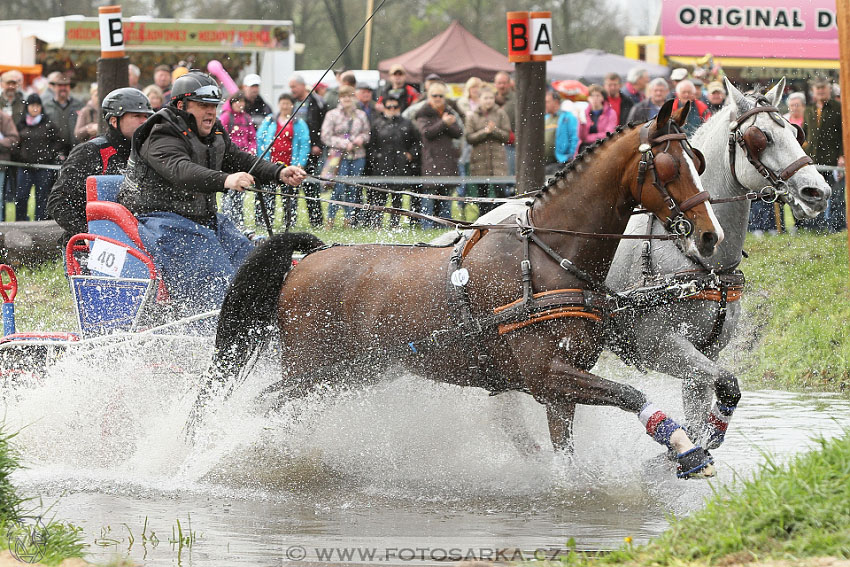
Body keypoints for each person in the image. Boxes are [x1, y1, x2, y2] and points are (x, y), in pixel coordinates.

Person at [117, 72, 307, 315]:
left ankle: (263, 321)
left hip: (204, 220)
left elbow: (238, 158)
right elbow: (180, 170)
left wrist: (278, 172)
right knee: (219, 278)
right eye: (203, 106)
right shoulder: (160, 133)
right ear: (180, 105)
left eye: (214, 106)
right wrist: (226, 180)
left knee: (254, 265)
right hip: (160, 220)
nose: (211, 113)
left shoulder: (214, 132)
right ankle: (212, 332)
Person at [48, 88, 153, 243]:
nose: (144, 121)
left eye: (146, 116)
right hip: (87, 245)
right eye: (136, 116)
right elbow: (57, 202)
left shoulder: (148, 153)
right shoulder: (90, 151)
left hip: (135, 241)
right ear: (114, 121)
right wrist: (91, 233)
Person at [256, 93, 310, 229]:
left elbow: (304, 143)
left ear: (292, 105)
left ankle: (289, 221)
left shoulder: (299, 122)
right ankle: (265, 221)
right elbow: (260, 138)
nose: (285, 106)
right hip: (271, 164)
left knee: (290, 196)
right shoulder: (270, 120)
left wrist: (300, 163)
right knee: (268, 194)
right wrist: (261, 159)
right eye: (282, 103)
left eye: (287, 103)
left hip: (290, 164)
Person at [365, 93, 420, 228]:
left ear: (399, 107)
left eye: (395, 106)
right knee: (379, 197)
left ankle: (395, 224)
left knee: (397, 197)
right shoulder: (377, 124)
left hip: (400, 166)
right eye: (389, 107)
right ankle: (376, 224)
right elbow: (370, 145)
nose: (392, 109)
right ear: (384, 108)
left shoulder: (407, 124)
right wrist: (375, 158)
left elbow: (417, 143)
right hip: (381, 166)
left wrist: (411, 155)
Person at [320, 85, 370, 229]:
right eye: (344, 96)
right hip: (338, 156)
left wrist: (360, 139)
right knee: (339, 188)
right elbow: (325, 136)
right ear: (340, 98)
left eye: (349, 95)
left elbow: (367, 133)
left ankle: (349, 220)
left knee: (353, 189)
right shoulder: (332, 115)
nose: (347, 99)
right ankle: (330, 219)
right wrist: (343, 143)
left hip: (357, 155)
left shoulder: (361, 115)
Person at [799, 77, 844, 231]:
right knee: (813, 193)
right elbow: (804, 132)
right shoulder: (809, 109)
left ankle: (837, 226)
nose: (820, 91)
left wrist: (843, 156)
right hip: (813, 160)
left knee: (836, 194)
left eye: (823, 88)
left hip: (833, 160)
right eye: (817, 89)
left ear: (829, 90)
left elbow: (845, 134)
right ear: (813, 91)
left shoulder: (839, 108)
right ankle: (815, 226)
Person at [415, 82, 462, 227]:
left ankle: (445, 228)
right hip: (431, 160)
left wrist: (447, 123)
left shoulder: (450, 111)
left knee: (446, 200)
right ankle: (426, 227)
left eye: (440, 96)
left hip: (447, 161)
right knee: (428, 199)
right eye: (434, 95)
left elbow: (459, 132)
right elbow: (427, 133)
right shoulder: (423, 113)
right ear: (429, 97)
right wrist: (444, 123)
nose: (437, 98)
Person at [13, 94, 63, 221]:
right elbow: (15, 142)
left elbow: (59, 141)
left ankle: (40, 222)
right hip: (24, 166)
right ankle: (20, 222)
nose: (35, 108)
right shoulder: (21, 124)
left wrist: (49, 154)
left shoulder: (48, 124)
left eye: (37, 105)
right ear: (27, 107)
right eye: (32, 106)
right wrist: (21, 156)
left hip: (43, 167)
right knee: (21, 196)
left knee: (42, 197)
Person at [289, 73, 327, 227]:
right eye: (290, 87)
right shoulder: (292, 102)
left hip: (312, 150)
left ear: (302, 86)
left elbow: (321, 123)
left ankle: (316, 220)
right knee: (293, 185)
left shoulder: (314, 101)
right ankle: (290, 220)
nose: (292, 90)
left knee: (311, 186)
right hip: (296, 150)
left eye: (294, 87)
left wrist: (318, 144)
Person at [465, 86, 510, 217]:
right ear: (479, 99)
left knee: (500, 191)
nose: (488, 101)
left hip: (498, 160)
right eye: (485, 98)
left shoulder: (501, 113)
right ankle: (483, 220)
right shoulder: (472, 116)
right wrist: (484, 133)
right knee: (482, 193)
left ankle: (502, 218)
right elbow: (469, 137)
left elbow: (507, 136)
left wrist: (494, 130)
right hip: (479, 161)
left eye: (491, 98)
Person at [219, 91, 258, 229]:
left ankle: (238, 219)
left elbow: (252, 138)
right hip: (229, 158)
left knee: (240, 190)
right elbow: (221, 137)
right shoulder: (225, 117)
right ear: (232, 102)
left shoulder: (247, 118)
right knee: (229, 190)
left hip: (243, 158)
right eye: (237, 101)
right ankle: (226, 218)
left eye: (242, 102)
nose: (240, 104)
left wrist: (251, 150)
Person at [42, 72, 84, 158]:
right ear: (54, 87)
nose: (63, 88)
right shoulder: (46, 106)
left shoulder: (79, 105)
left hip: (75, 151)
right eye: (60, 85)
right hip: (53, 152)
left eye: (66, 85)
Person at [544, 90, 577, 173]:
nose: (545, 104)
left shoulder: (567, 117)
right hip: (545, 162)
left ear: (556, 102)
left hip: (561, 161)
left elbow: (575, 136)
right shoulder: (546, 118)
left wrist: (571, 155)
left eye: (547, 102)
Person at [578, 84, 618, 152]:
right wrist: (582, 123)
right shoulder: (584, 112)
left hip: (603, 148)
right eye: (592, 96)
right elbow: (581, 136)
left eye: (597, 95)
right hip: (585, 149)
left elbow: (608, 134)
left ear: (602, 98)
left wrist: (589, 138)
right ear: (588, 98)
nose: (595, 98)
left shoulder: (611, 113)